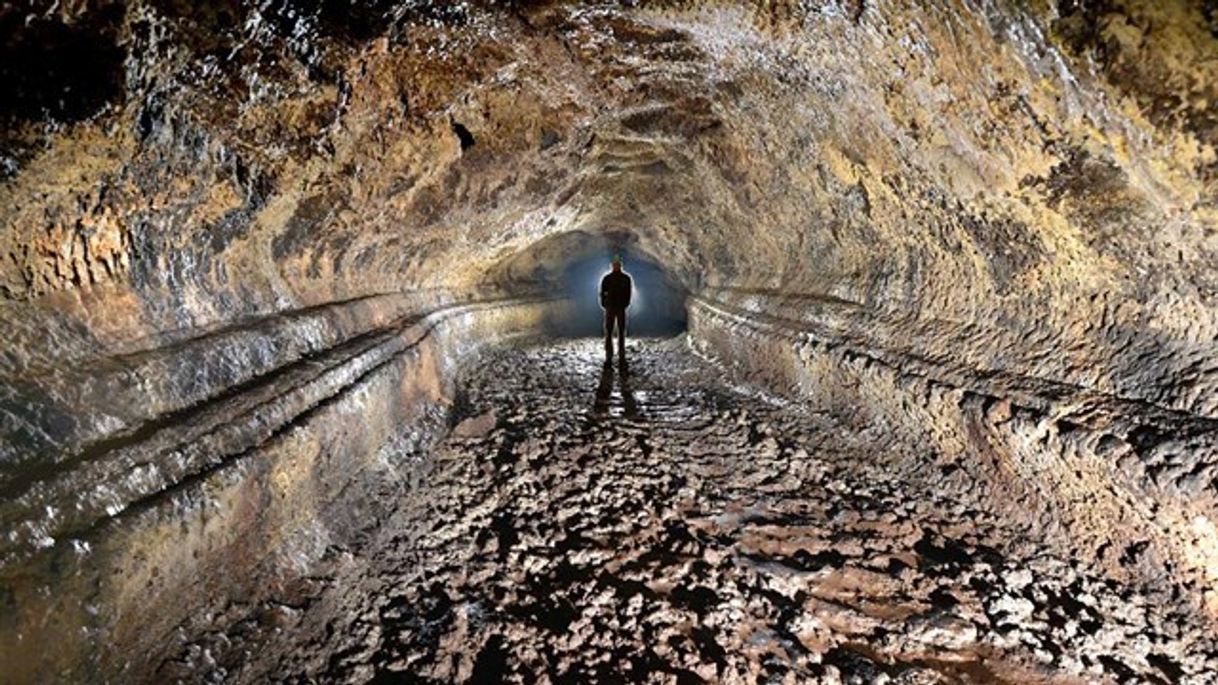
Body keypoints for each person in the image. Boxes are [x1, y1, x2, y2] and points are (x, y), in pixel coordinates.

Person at [600, 254, 632, 363]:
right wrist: (604, 304)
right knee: (608, 331)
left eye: (618, 265)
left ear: (620, 266)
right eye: (615, 265)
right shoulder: (607, 278)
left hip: (620, 307)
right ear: (612, 266)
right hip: (610, 307)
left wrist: (625, 304)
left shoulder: (626, 278)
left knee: (621, 330)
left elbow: (628, 293)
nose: (616, 266)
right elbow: (602, 292)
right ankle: (609, 354)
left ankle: (621, 353)